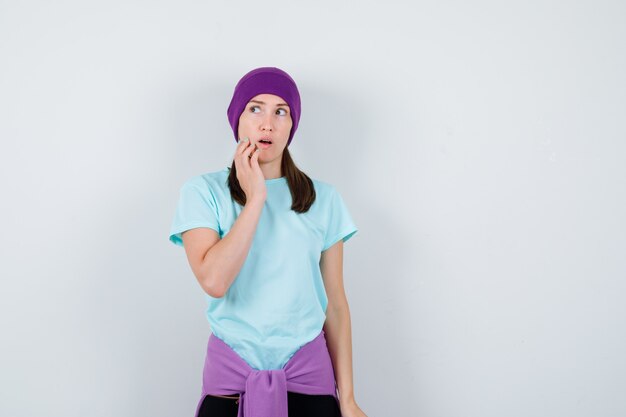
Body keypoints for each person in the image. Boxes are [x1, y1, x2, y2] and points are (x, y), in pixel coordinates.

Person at [169, 67, 368, 417]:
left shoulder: (324, 198)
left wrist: (348, 399)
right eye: (255, 109)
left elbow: (335, 304)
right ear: (238, 119)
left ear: (292, 125)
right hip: (230, 389)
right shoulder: (203, 192)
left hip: (310, 384)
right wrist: (256, 197)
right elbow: (214, 281)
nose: (268, 124)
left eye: (281, 112)